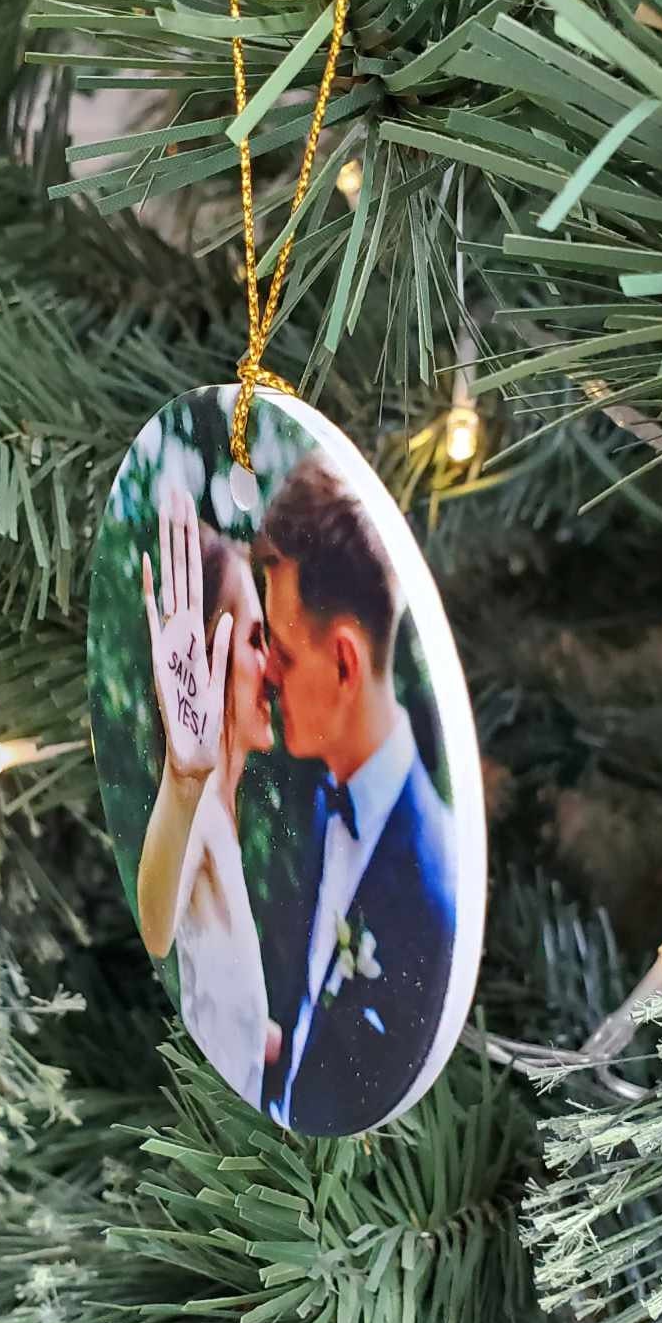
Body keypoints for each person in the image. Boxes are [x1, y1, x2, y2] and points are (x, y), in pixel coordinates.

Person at [255, 451, 456, 1136]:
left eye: (283, 654)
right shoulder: (318, 805)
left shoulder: (439, 893)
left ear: (344, 663)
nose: (267, 675)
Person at [137, 487, 280, 1109]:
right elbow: (157, 928)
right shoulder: (197, 811)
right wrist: (182, 780)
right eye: (253, 639)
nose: (270, 664)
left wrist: (261, 1033)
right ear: (205, 659)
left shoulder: (222, 809)